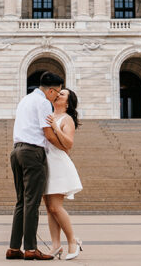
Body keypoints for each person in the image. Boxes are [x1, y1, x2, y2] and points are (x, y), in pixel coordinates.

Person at [6, 72, 64, 261]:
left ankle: (14, 247)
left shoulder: (25, 99)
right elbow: (47, 133)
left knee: (21, 201)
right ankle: (31, 248)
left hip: (17, 152)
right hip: (32, 153)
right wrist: (63, 146)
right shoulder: (44, 102)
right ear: (51, 90)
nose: (57, 97)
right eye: (57, 93)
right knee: (32, 201)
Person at [44, 89, 83, 260]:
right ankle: (55, 245)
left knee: (55, 207)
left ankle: (73, 241)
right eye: (59, 93)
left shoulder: (67, 119)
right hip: (45, 163)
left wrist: (55, 128)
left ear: (68, 102)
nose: (58, 94)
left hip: (58, 164)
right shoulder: (48, 113)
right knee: (49, 209)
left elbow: (68, 144)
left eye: (63, 94)